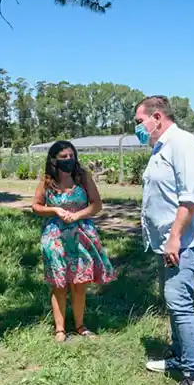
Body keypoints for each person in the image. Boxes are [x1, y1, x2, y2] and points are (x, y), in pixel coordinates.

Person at [135, 95, 194, 385]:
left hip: (182, 243)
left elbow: (190, 197)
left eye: (139, 121)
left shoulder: (183, 144)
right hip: (167, 243)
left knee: (179, 302)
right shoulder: (162, 147)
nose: (138, 129)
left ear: (157, 117)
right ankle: (180, 357)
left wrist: (174, 238)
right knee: (171, 300)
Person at [31, 141, 116, 342]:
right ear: (54, 160)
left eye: (71, 155)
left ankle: (80, 326)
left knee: (79, 282)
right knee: (59, 284)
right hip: (55, 237)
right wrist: (55, 210)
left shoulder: (82, 177)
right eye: (64, 157)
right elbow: (35, 206)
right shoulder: (47, 181)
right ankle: (60, 330)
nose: (69, 160)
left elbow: (96, 205)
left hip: (81, 235)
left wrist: (77, 215)